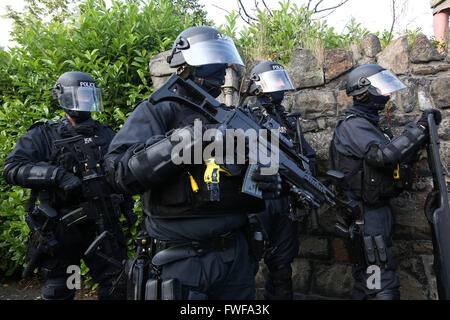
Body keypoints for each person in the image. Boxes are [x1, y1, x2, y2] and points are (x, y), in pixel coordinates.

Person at [105, 26, 282, 300]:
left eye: (223, 62)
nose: (221, 70)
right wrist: (185, 140)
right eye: (211, 61)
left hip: (234, 255)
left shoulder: (226, 117)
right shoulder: (160, 108)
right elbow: (118, 172)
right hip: (181, 259)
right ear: (187, 63)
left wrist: (268, 180)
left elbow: (242, 175)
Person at [3, 71, 135, 300]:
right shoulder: (44, 135)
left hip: (104, 223)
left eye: (88, 96)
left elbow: (124, 170)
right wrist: (56, 175)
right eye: (79, 96)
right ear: (64, 98)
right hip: (62, 228)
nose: (84, 101)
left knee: (116, 285)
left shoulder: (105, 134)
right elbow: (13, 168)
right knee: (60, 289)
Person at [329, 64, 442, 300]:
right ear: (363, 92)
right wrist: (419, 128)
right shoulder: (353, 126)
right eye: (381, 89)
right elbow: (383, 155)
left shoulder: (370, 125)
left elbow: (396, 155)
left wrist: (418, 138)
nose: (388, 95)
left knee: (369, 281)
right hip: (365, 216)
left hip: (376, 213)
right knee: (379, 281)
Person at [243, 61, 318, 299]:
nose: (280, 88)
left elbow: (308, 155)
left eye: (280, 81)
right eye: (275, 82)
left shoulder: (287, 119)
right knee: (248, 261)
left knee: (282, 264)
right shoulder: (247, 116)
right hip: (258, 198)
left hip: (285, 198)